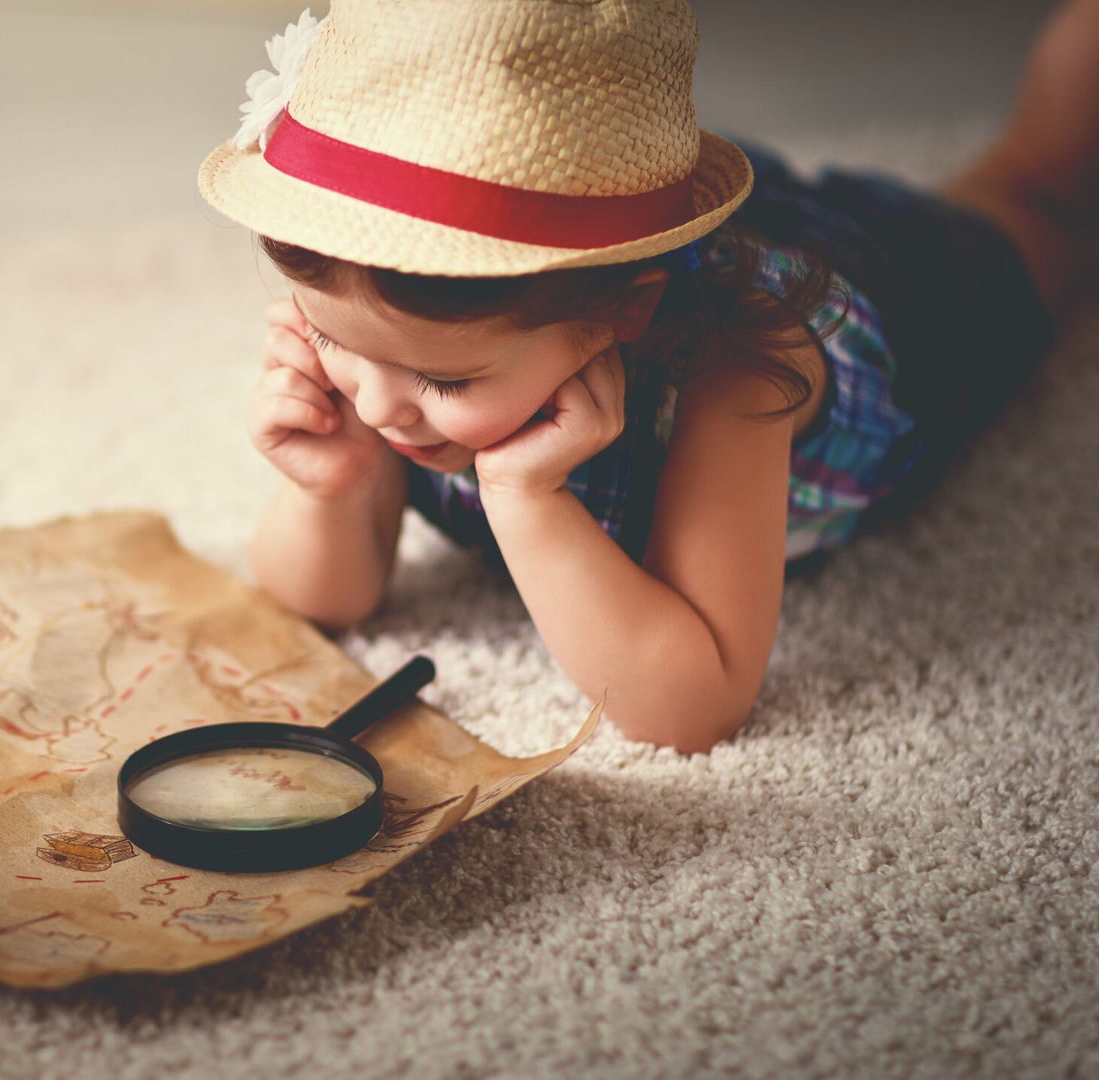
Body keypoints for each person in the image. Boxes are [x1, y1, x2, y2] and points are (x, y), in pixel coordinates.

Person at [198, 0, 1099, 752]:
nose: (375, 402)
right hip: (637, 243)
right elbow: (322, 601)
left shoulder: (741, 373)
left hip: (906, 306)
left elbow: (693, 706)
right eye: (329, 338)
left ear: (619, 314)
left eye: (444, 385)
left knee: (1036, 201)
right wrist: (336, 486)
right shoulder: (393, 330)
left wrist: (528, 500)